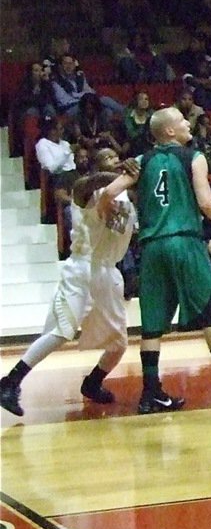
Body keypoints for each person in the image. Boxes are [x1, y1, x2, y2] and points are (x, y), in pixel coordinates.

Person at [96, 107, 211, 412]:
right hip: (185, 241)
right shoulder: (193, 156)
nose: (189, 123)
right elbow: (204, 202)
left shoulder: (142, 161)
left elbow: (108, 192)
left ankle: (151, 392)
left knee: (152, 325)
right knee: (209, 311)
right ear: (171, 131)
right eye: (183, 121)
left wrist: (108, 215)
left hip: (151, 247)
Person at [0, 149, 135, 417]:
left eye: (116, 157)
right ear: (96, 167)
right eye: (108, 157)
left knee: (119, 344)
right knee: (61, 331)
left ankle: (93, 382)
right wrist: (115, 174)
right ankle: (9, 382)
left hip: (109, 272)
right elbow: (84, 185)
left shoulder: (126, 198)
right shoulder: (86, 191)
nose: (116, 160)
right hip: (82, 269)